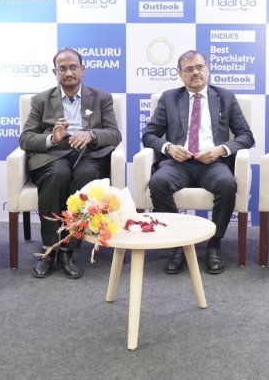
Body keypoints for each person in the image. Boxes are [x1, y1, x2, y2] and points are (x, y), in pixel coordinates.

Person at [142, 50, 254, 275]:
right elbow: (149, 135)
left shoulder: (225, 97)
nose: (196, 73)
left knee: (227, 184)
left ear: (208, 69)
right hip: (178, 163)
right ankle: (178, 244)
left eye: (200, 67)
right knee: (158, 183)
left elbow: (246, 136)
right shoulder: (169, 98)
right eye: (189, 69)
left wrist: (220, 150)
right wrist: (169, 148)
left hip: (213, 163)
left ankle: (214, 244)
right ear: (180, 74)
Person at [20, 48, 122, 279]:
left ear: (82, 70)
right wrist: (52, 138)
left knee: (85, 177)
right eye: (63, 68)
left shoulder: (101, 98)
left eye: (73, 67)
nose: (68, 73)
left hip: (88, 155)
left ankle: (68, 250)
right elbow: (25, 138)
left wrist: (91, 135)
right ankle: (48, 249)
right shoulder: (41, 100)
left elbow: (114, 134)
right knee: (57, 175)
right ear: (55, 72)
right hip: (53, 156)